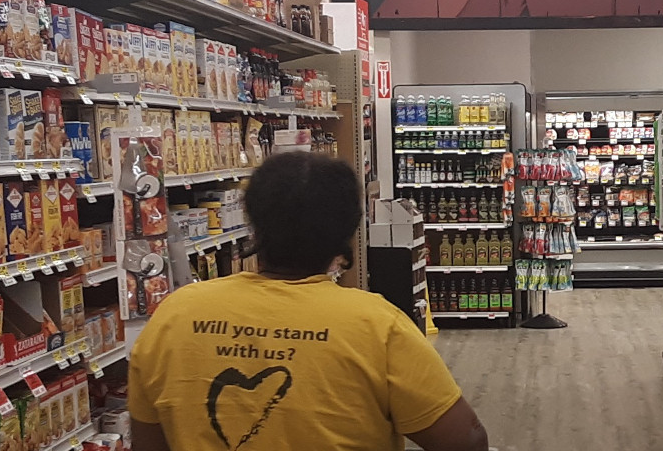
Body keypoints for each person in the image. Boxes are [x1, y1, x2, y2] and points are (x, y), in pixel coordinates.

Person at [129, 152, 488, 451]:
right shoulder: (376, 325)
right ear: (347, 231)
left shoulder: (176, 314)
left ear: (253, 224)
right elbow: (466, 440)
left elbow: (147, 440)